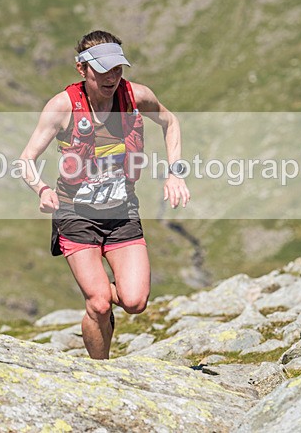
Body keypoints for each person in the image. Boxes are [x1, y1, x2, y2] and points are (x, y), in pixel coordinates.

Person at [19, 30, 190, 359]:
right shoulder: (62, 107)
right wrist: (41, 189)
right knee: (98, 302)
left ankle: (103, 305)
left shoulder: (135, 97)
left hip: (122, 211)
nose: (112, 77)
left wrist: (175, 173)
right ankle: (101, 371)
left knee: (135, 302)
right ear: (82, 69)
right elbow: (26, 159)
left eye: (118, 69)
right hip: (75, 213)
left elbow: (171, 122)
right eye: (102, 70)